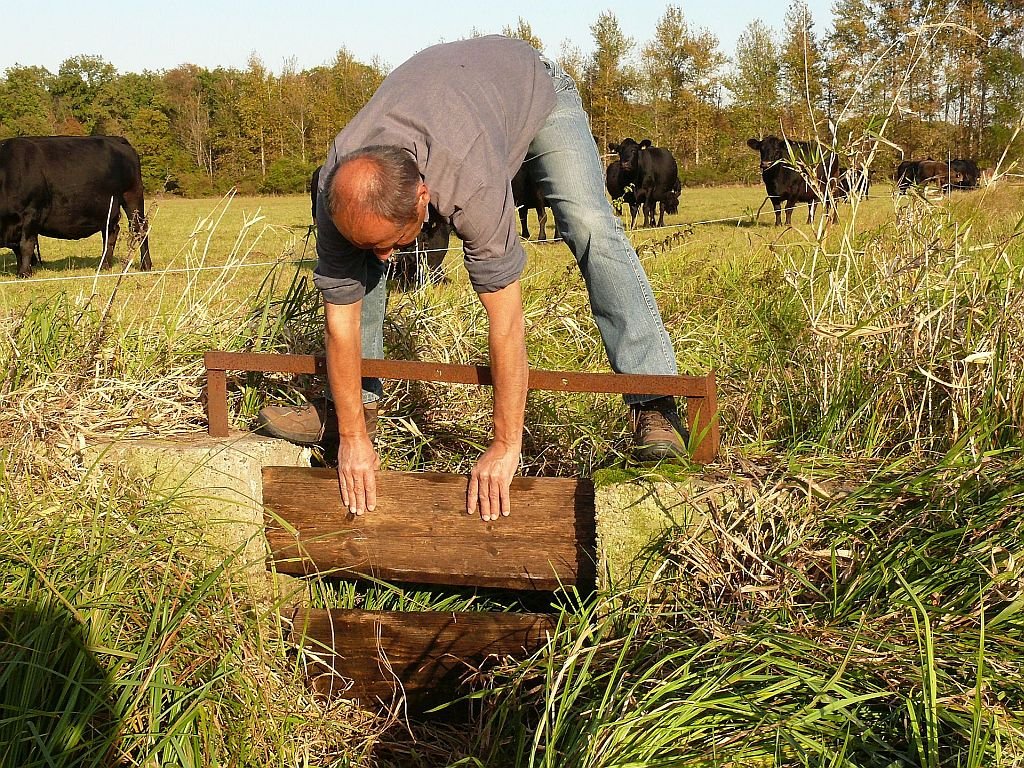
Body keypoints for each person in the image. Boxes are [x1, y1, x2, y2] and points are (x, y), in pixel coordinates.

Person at [258, 35, 688, 522]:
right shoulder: (339, 185)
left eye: (394, 243)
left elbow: (505, 322)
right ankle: (356, 411)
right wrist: (353, 440)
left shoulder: (471, 179)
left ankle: (656, 403)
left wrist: (505, 445)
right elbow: (340, 323)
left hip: (533, 89)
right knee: (357, 268)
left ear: (425, 198)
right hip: (453, 96)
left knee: (590, 227)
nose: (384, 257)